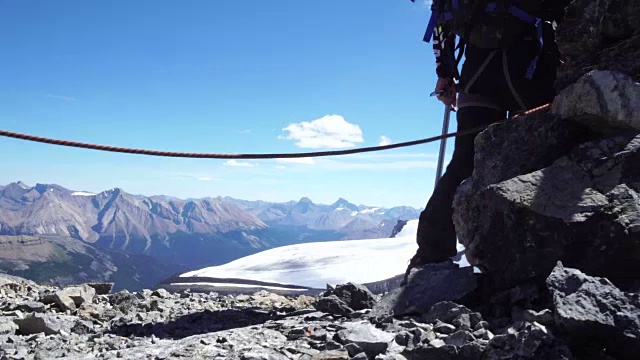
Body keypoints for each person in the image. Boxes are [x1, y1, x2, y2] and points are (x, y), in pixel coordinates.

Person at [405, 0, 573, 277]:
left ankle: (430, 256)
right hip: (531, 66)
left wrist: (445, 74)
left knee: (464, 161)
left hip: (478, 73)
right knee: (538, 158)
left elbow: (443, 21)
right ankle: (536, 258)